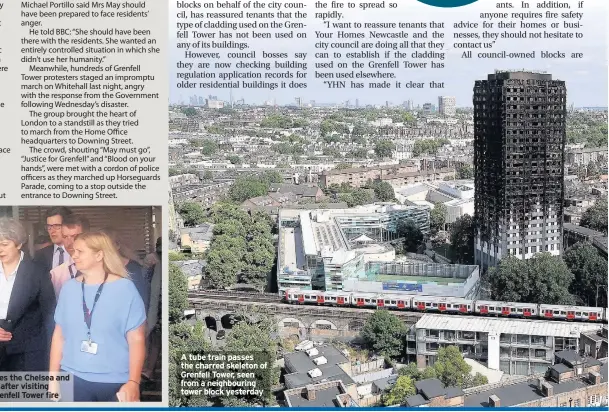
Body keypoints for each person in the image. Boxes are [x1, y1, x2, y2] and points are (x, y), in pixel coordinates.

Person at [49, 231, 146, 402]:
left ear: (99, 255)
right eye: (74, 251)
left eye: (80, 251)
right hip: (72, 377)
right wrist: (53, 378)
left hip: (116, 381)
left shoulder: (125, 289)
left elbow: (136, 339)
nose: (74, 255)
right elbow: (59, 336)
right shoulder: (68, 288)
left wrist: (133, 382)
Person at [0, 219, 56, 371]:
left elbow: (49, 314)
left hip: (28, 351)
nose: (0, 249)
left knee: (25, 394)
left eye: (5, 244)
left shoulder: (37, 272)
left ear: (18, 244)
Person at [102, 228, 150, 313]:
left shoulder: (133, 269)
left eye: (106, 245)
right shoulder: (97, 268)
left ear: (117, 246)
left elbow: (141, 302)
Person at [49, 214, 89, 299]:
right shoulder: (56, 275)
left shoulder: (103, 267)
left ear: (88, 236)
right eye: (65, 237)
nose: (69, 242)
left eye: (74, 236)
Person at [141, 237, 161, 381]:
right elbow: (145, 280)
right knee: (149, 336)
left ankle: (149, 369)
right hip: (151, 303)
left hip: (156, 304)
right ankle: (146, 368)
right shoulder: (152, 260)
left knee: (154, 338)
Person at [33, 207, 73, 275]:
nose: (52, 231)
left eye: (57, 226)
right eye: (49, 226)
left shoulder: (78, 251)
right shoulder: (40, 255)